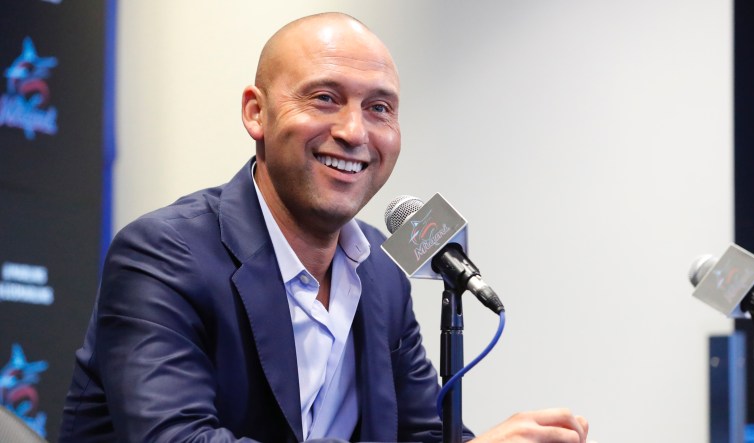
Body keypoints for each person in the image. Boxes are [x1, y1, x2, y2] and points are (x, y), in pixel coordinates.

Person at [59, 12, 590, 443]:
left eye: (379, 107)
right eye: (324, 98)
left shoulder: (383, 271)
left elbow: (420, 434)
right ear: (255, 113)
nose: (354, 131)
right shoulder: (162, 254)